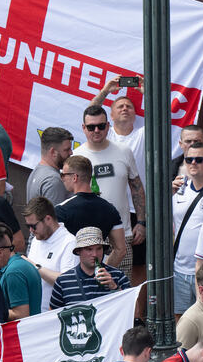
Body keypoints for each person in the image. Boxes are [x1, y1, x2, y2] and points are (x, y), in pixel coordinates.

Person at [73, 105, 145, 281]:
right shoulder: (76, 156)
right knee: (92, 289)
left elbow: (137, 187)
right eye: (91, 127)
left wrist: (142, 222)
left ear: (108, 126)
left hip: (122, 235)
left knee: (122, 290)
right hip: (88, 238)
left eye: (101, 126)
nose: (96, 130)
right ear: (83, 128)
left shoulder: (124, 151)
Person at [172, 142, 203, 315]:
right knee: (180, 319)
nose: (193, 163)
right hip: (179, 269)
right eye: (189, 159)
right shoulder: (178, 190)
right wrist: (167, 195)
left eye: (199, 159)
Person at [53, 155, 127, 267]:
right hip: (97, 275)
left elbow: (54, 247)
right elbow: (120, 250)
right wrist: (102, 271)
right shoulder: (110, 209)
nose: (62, 178)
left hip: (68, 275)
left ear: (74, 177)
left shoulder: (61, 210)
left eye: (63, 174)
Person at [49, 227, 129, 309]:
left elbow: (133, 311)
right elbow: (52, 316)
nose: (94, 254)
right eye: (89, 249)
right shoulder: (63, 281)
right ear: (78, 251)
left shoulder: (118, 276)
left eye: (99, 248)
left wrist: (114, 287)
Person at [22, 197, 77, 313]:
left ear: (48, 219)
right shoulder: (36, 240)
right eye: (28, 226)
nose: (31, 230)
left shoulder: (69, 242)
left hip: (56, 316)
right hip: (35, 314)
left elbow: (68, 282)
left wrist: (34, 268)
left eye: (33, 226)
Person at [26, 127, 73, 206]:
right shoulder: (54, 180)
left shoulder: (37, 171)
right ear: (53, 152)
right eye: (67, 150)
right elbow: (55, 217)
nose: (71, 152)